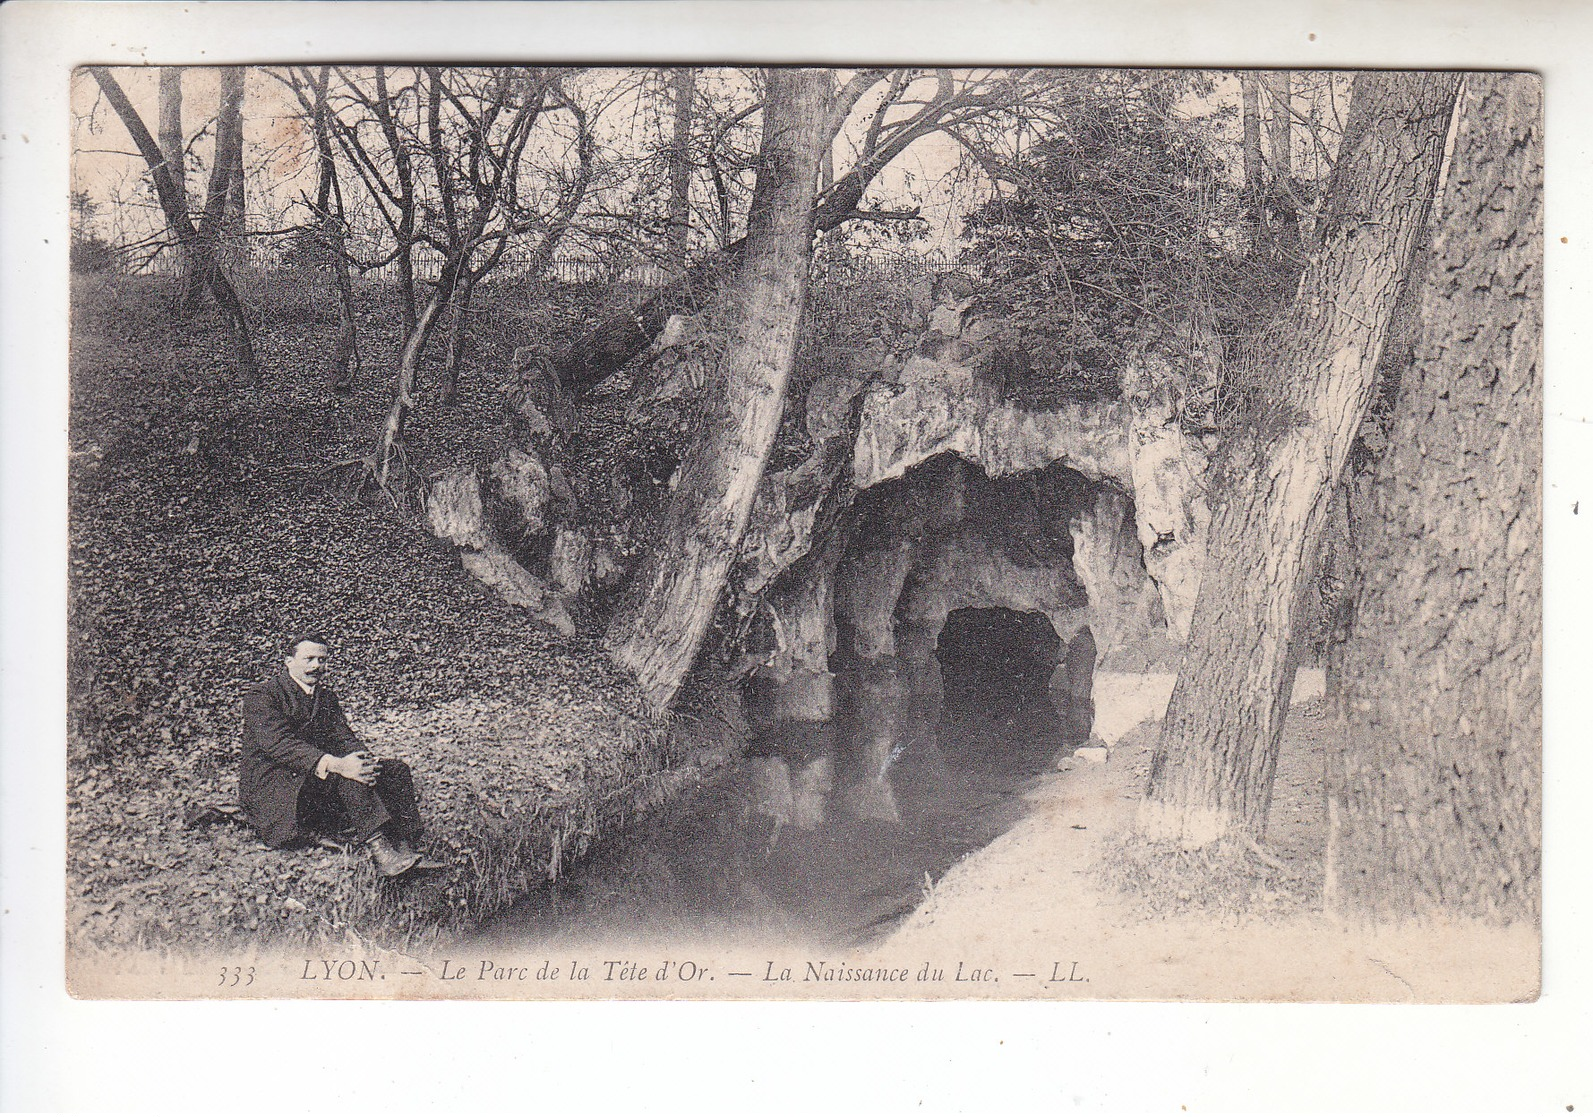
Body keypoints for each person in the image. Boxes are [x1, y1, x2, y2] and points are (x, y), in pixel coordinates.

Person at [240, 633, 423, 877]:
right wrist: (337, 764)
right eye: (309, 659)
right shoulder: (263, 696)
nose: (316, 666)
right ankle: (381, 852)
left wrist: (363, 760)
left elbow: (343, 737)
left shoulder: (325, 697)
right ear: (288, 661)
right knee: (345, 774)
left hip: (310, 777)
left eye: (322, 660)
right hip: (277, 784)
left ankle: (407, 843)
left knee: (394, 770)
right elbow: (279, 743)